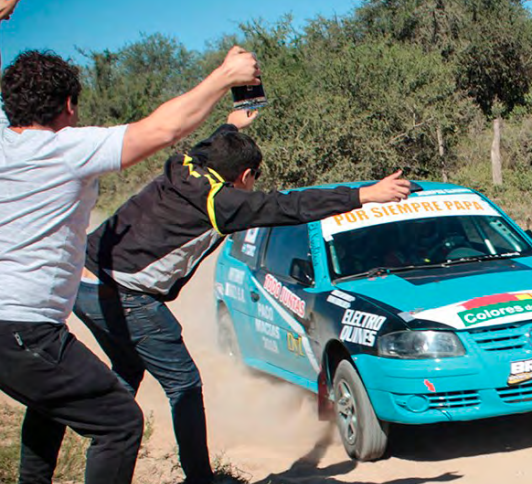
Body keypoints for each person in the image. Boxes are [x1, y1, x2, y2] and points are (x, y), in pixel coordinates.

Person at [0, 1, 261, 483]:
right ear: (69, 106)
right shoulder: (66, 149)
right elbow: (164, 129)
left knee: (50, 404)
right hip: (20, 326)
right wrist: (225, 76)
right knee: (120, 422)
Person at [72, 108, 412, 484]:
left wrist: (232, 123)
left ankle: (106, 448)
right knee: (183, 384)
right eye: (253, 180)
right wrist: (364, 195)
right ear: (245, 176)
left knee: (127, 372)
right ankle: (200, 479)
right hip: (123, 294)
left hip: (82, 281)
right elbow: (291, 206)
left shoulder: (186, 164)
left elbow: (211, 144)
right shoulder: (222, 203)